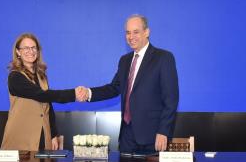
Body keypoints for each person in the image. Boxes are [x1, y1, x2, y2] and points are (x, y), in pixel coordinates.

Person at [77, 15, 179, 153]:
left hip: (153, 137)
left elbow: (171, 100)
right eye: (128, 32)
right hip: (126, 136)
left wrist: (163, 131)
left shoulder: (163, 58)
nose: (131, 36)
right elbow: (113, 88)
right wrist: (88, 93)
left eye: (136, 32)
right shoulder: (124, 60)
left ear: (147, 32)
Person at [1, 33, 82, 151]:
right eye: (26, 48)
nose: (31, 51)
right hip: (21, 136)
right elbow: (41, 95)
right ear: (18, 52)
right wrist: (73, 94)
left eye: (34, 47)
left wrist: (54, 134)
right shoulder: (15, 77)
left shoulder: (41, 76)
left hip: (43, 135)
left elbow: (48, 106)